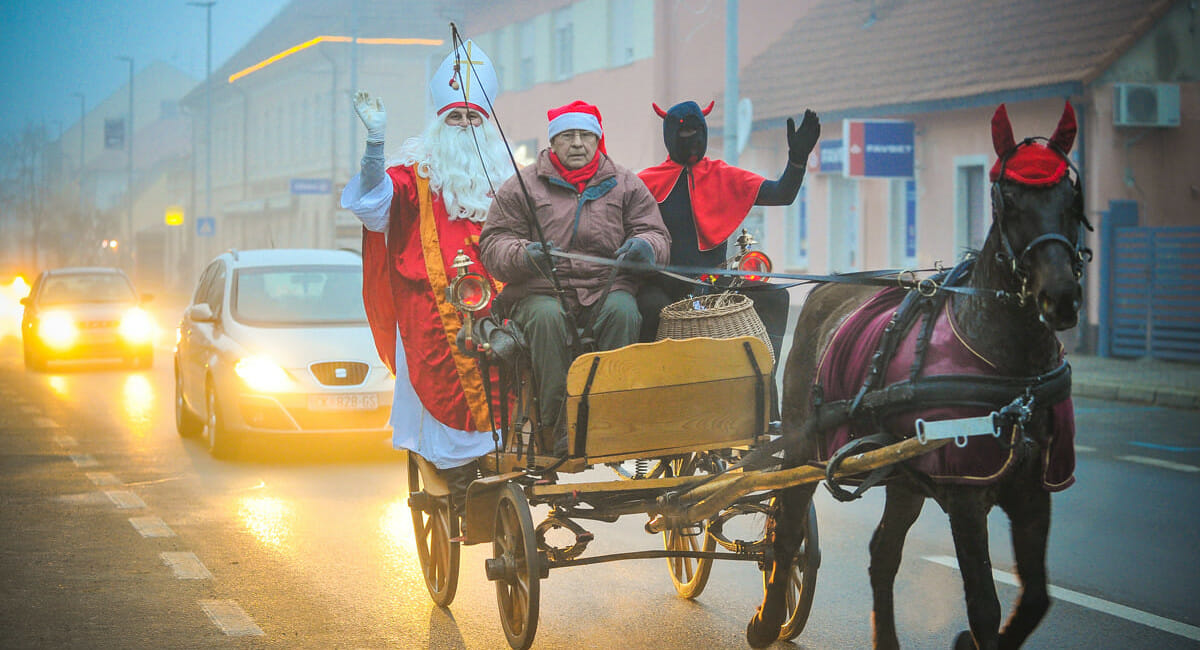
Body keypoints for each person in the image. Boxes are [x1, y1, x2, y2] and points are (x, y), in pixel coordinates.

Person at [340, 40, 512, 504]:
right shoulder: (416, 173)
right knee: (441, 363)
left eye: (472, 118)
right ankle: (449, 466)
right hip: (430, 303)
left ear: (486, 123)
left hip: (501, 300)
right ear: (440, 122)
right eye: (455, 118)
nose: (464, 127)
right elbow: (373, 207)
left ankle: (508, 455)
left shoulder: (507, 176)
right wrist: (375, 145)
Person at [479, 100, 670, 455]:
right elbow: (493, 242)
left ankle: (610, 421)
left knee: (624, 312)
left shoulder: (626, 184)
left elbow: (656, 234)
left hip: (606, 290)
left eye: (586, 135)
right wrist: (524, 254)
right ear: (553, 142)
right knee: (548, 319)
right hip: (542, 293)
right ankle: (557, 428)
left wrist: (645, 247)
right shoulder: (521, 186)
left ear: (598, 140)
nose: (578, 143)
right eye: (568, 136)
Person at [636, 100, 820, 420]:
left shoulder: (723, 175)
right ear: (669, 136)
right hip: (662, 287)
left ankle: (765, 394)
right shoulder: (645, 181)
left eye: (697, 133)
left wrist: (797, 160)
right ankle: (645, 400)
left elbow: (781, 194)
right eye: (684, 133)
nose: (691, 140)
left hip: (716, 287)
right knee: (646, 308)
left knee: (775, 298)